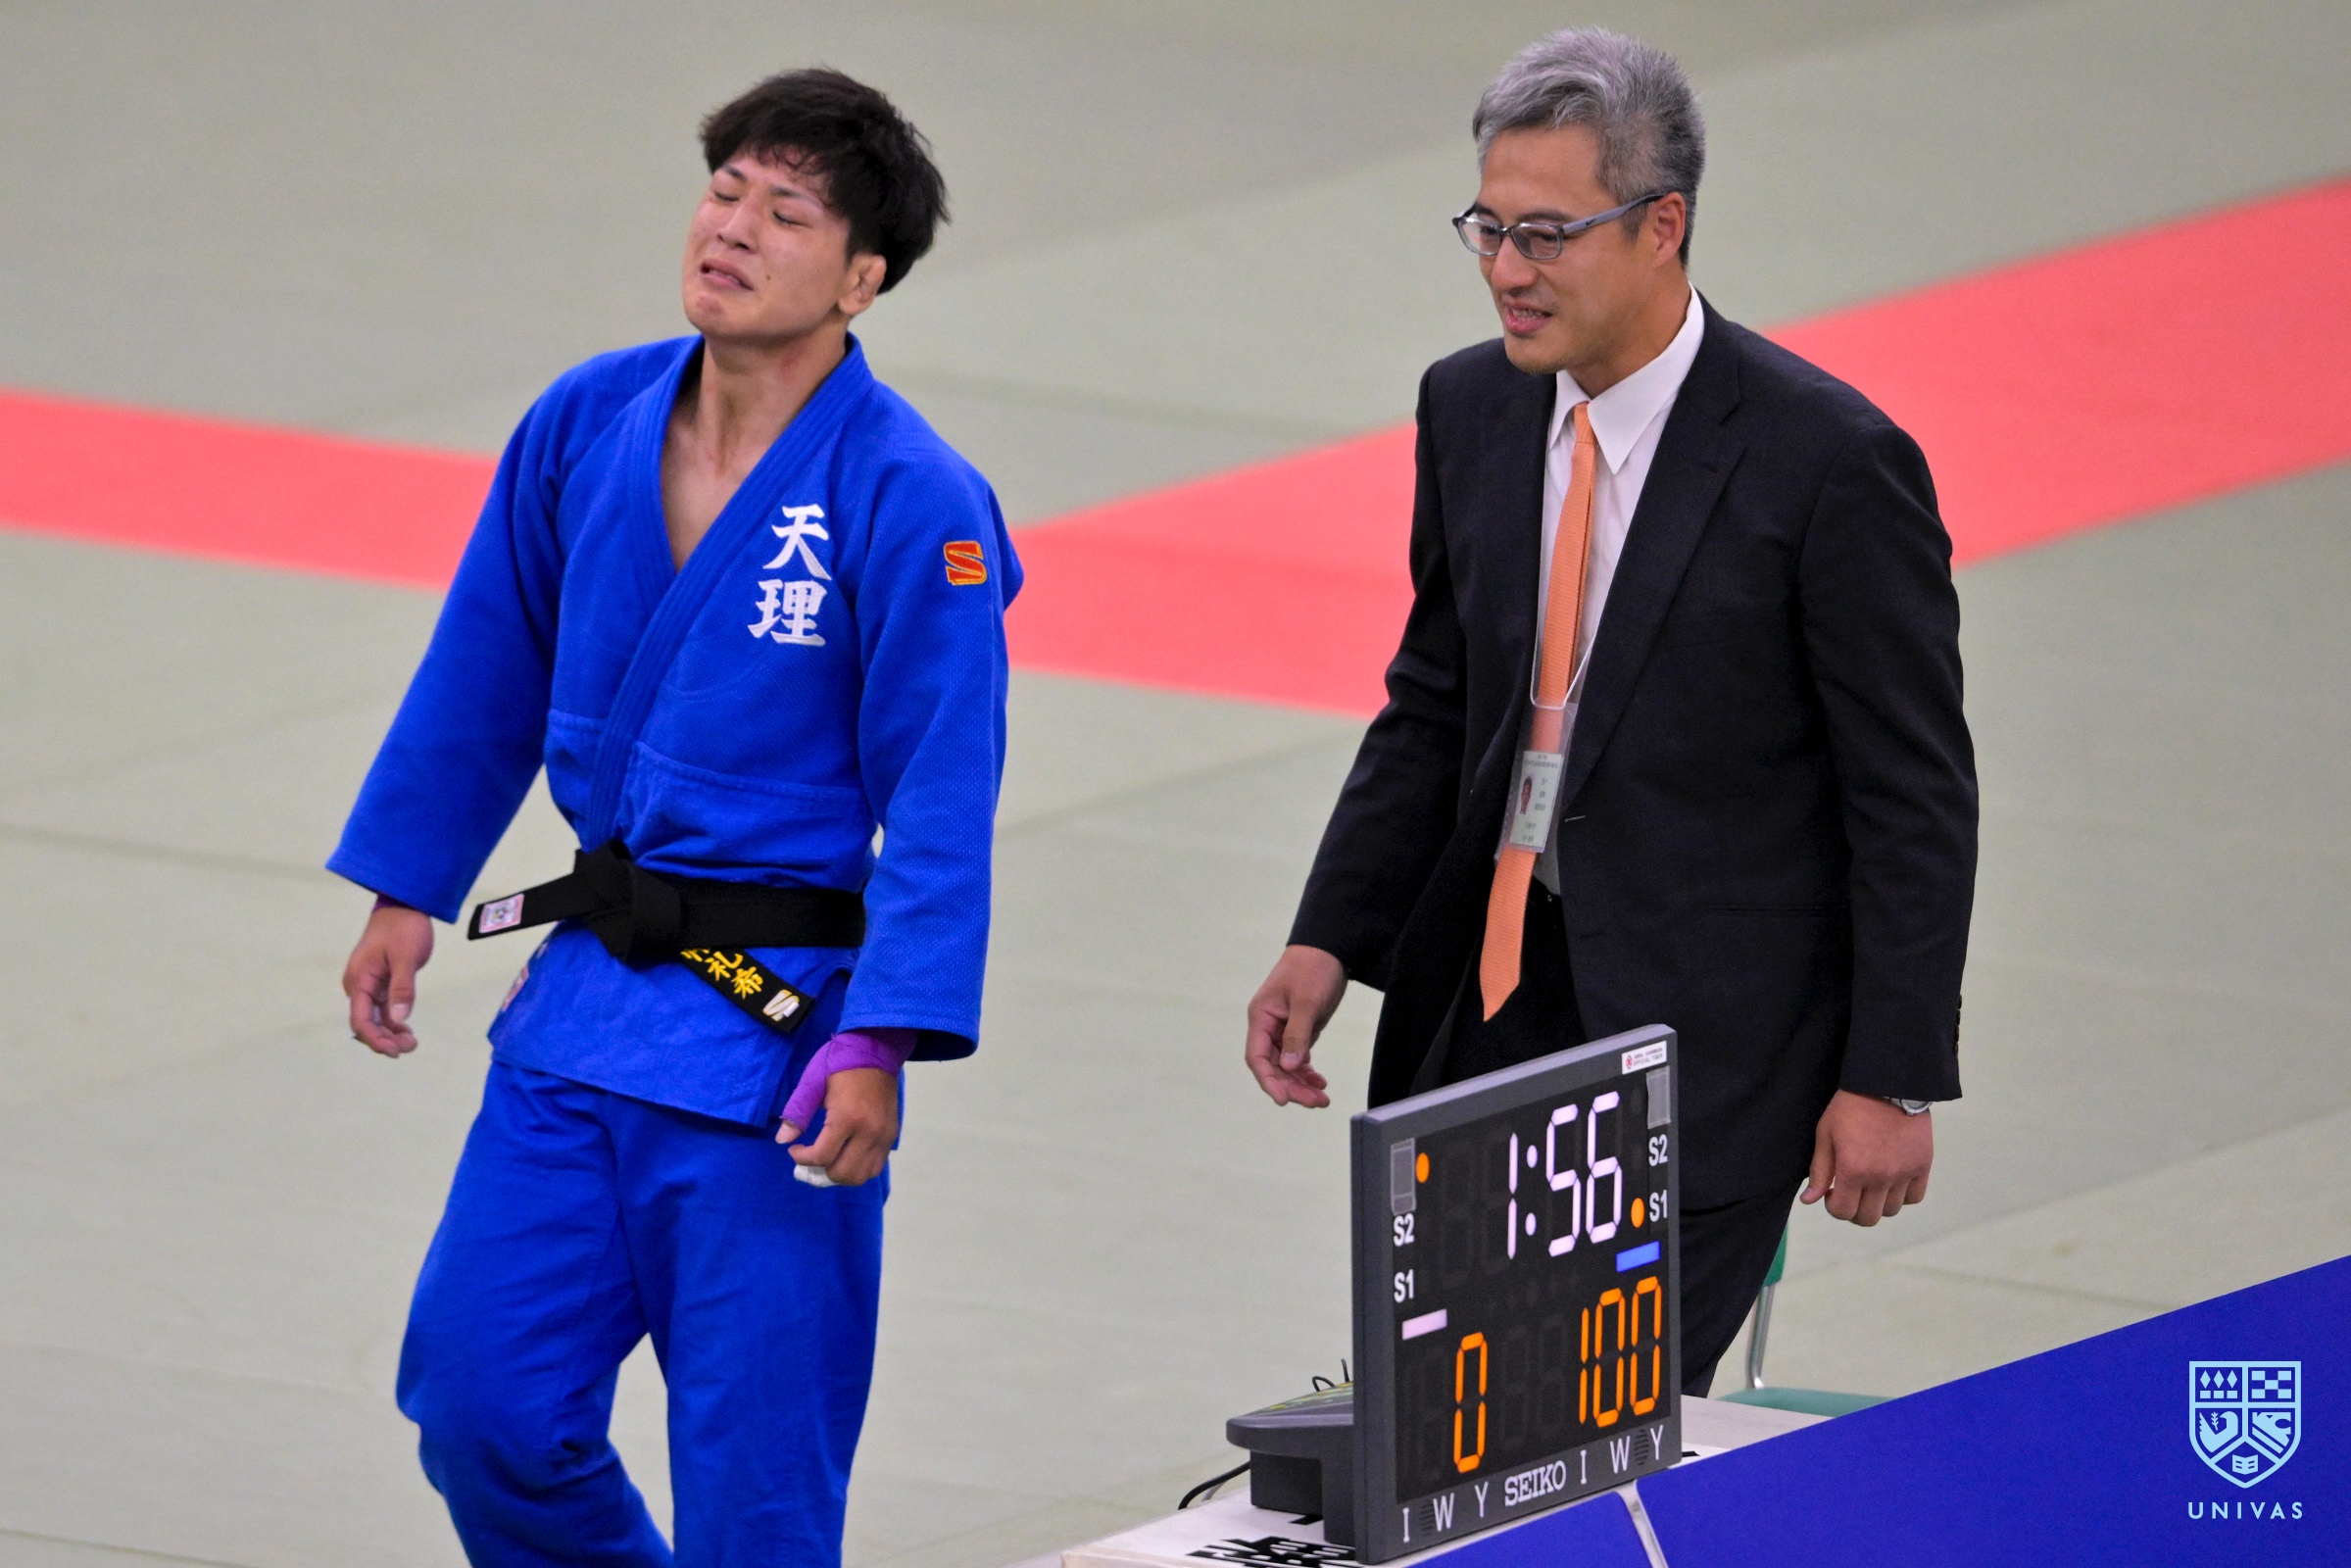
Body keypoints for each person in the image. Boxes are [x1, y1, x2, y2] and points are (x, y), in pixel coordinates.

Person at [330, 69, 1018, 1566]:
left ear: (863, 278)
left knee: (755, 1492)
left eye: (788, 212)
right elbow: (487, 663)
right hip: (585, 1007)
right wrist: (406, 886)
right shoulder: (588, 419)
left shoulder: (913, 495)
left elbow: (942, 794)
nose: (733, 229)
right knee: (481, 1404)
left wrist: (885, 1036)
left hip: (777, 1039)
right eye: (723, 191)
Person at [1243, 28, 1975, 1396]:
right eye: (1487, 229)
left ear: (1661, 226)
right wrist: (1329, 932)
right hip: (1488, 1002)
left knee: (1595, 1428)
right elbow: (1436, 699)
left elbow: (1912, 793)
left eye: (1545, 235)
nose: (1506, 272)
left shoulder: (1829, 463)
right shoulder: (1471, 407)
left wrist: (1892, 1074)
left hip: (1709, 1051)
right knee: (1448, 1420)